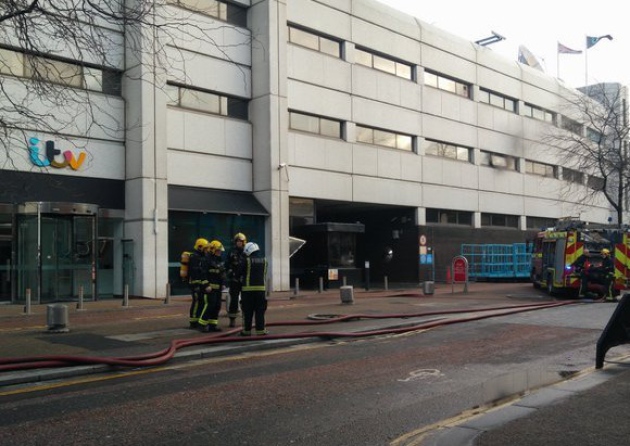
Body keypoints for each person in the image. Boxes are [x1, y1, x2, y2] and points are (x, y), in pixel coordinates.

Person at [239, 241, 268, 336]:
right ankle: (260, 331)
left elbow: (240, 272)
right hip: (261, 290)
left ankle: (246, 331)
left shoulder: (246, 260)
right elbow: (264, 274)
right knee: (260, 311)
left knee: (247, 312)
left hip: (247, 291)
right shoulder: (264, 260)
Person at [198, 240, 226, 332]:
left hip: (218, 289)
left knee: (217, 306)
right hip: (209, 289)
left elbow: (222, 273)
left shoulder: (220, 260)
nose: (220, 252)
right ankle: (202, 324)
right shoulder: (206, 260)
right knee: (210, 305)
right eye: (218, 251)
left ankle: (212, 326)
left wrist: (223, 284)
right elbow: (203, 274)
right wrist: (206, 285)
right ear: (213, 250)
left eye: (220, 251)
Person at [186, 238, 209, 329]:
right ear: (200, 247)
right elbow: (194, 272)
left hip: (200, 284)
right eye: (205, 248)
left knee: (201, 302)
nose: (206, 250)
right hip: (195, 284)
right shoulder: (194, 257)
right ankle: (193, 322)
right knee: (196, 302)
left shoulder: (202, 257)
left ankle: (197, 319)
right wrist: (196, 285)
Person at [225, 232, 247, 328]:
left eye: (240, 241)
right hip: (234, 280)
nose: (238, 243)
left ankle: (246, 319)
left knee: (245, 300)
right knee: (234, 300)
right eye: (237, 241)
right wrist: (230, 273)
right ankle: (232, 320)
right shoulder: (231, 252)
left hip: (244, 280)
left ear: (244, 242)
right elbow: (227, 264)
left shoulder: (247, 252)